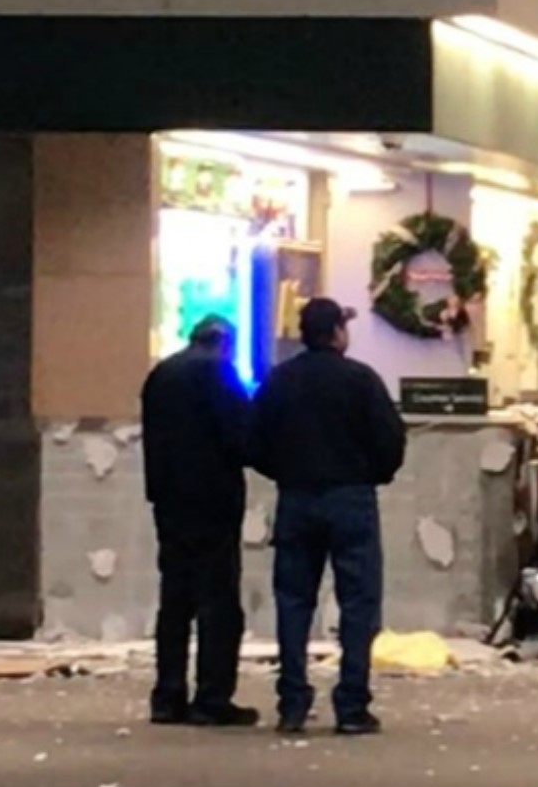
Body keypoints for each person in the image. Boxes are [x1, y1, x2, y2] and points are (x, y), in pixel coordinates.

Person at [251, 299, 406, 737]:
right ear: (337, 332)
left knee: (294, 601)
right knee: (358, 602)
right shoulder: (361, 380)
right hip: (352, 499)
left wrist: (284, 471)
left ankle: (293, 703)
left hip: (297, 499)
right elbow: (391, 439)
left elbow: (254, 439)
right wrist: (374, 473)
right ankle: (352, 704)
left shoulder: (280, 380)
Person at [140, 316, 258, 727]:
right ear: (225, 343)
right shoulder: (219, 374)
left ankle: (167, 696)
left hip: (169, 502)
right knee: (218, 604)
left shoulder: (161, 374)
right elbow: (242, 437)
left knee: (175, 601)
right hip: (213, 502)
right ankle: (212, 699)